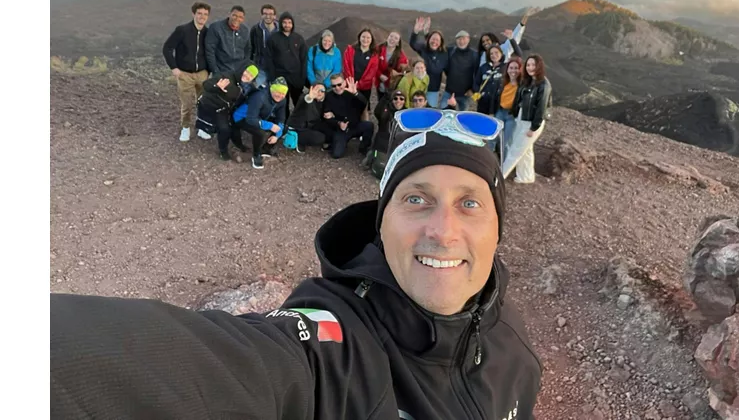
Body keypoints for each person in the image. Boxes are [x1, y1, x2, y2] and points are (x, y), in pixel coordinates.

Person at [51, 110, 543, 420]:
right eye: (416, 199)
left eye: (470, 204)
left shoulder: (513, 343)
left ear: (498, 228)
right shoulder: (331, 353)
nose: (443, 230)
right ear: (381, 223)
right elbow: (219, 369)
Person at [162, 1, 212, 142]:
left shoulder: (207, 33)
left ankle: (201, 127)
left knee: (203, 101)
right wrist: (174, 68)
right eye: (199, 13)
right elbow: (167, 48)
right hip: (185, 74)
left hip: (202, 73)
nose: (202, 16)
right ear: (193, 14)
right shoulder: (182, 30)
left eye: (205, 14)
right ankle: (185, 128)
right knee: (187, 103)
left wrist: (208, 70)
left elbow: (210, 52)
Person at [502, 54, 552, 183]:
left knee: (515, 149)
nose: (530, 68)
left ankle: (499, 177)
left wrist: (533, 127)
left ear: (539, 66)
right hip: (521, 118)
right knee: (526, 149)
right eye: (528, 65)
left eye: (533, 65)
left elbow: (541, 108)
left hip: (531, 122)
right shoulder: (528, 81)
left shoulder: (543, 85)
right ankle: (526, 176)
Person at [196, 61, 257, 160]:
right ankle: (223, 151)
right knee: (224, 129)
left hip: (226, 108)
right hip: (213, 106)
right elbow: (206, 84)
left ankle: (239, 145)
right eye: (247, 72)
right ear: (242, 69)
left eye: (251, 76)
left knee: (235, 124)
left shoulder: (245, 86)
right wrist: (217, 87)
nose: (248, 76)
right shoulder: (226, 76)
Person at [232, 78, 288, 169]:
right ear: (271, 89)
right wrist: (270, 125)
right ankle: (256, 155)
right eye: (277, 91)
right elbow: (251, 119)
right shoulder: (259, 97)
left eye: (283, 93)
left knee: (283, 128)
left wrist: (277, 135)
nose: (280, 95)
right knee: (260, 132)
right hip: (241, 117)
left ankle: (265, 149)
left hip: (260, 115)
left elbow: (281, 118)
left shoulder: (282, 100)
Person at [321, 75, 374, 159]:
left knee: (369, 125)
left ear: (344, 83)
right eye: (334, 86)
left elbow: (364, 103)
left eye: (339, 84)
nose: (337, 88)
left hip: (355, 125)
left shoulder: (351, 92)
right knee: (336, 154)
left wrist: (356, 93)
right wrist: (338, 123)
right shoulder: (329, 96)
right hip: (341, 129)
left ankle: (364, 147)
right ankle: (336, 142)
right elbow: (327, 116)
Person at [267, 11, 307, 117]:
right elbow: (269, 59)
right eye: (284, 22)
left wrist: (302, 78)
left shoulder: (298, 38)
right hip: (280, 76)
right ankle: (283, 125)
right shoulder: (273, 38)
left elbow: (304, 59)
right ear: (281, 23)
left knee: (298, 102)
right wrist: (272, 77)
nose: (287, 25)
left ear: (293, 24)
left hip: (295, 76)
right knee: (282, 104)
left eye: (289, 22)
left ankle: (300, 123)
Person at [361, 89, 406, 174]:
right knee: (381, 170)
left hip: (397, 146)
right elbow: (377, 112)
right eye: (395, 98)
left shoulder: (406, 114)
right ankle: (372, 155)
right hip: (383, 145)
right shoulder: (386, 111)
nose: (398, 101)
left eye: (401, 99)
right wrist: (385, 98)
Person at [409, 16, 449, 108]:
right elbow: (413, 44)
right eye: (433, 39)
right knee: (416, 110)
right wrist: (415, 32)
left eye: (437, 40)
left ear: (441, 42)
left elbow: (443, 69)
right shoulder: (423, 49)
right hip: (419, 86)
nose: (434, 41)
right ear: (428, 40)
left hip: (433, 89)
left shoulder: (444, 54)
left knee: (431, 112)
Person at [287, 83, 335, 152]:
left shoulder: (324, 100)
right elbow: (305, 99)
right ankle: (298, 139)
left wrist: (332, 114)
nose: (319, 92)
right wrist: (310, 97)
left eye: (322, 90)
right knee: (320, 138)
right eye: (317, 90)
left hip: (312, 124)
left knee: (330, 131)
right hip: (299, 127)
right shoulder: (306, 97)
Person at [204, 5, 251, 76]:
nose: (237, 19)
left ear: (243, 19)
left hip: (239, 72)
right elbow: (210, 51)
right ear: (229, 14)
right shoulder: (216, 28)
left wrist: (244, 68)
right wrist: (215, 71)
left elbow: (247, 50)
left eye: (240, 17)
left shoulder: (245, 30)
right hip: (221, 71)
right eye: (234, 15)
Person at [343, 28, 380, 111]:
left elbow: (371, 73)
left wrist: (358, 85)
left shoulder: (374, 54)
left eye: (368, 38)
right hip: (349, 84)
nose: (365, 40)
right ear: (359, 38)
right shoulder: (350, 50)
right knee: (349, 106)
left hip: (365, 87)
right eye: (363, 37)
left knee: (363, 107)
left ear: (371, 40)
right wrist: (351, 83)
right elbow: (346, 66)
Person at [443, 30, 478, 111]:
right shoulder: (450, 51)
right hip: (449, 92)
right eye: (459, 39)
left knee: (461, 118)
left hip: (465, 94)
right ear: (456, 40)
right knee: (444, 114)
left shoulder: (474, 55)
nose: (461, 41)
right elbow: (436, 49)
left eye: (464, 39)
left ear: (468, 39)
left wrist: (473, 89)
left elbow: (477, 74)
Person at [248, 4, 278, 88]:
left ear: (275, 16)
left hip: (277, 69)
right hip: (261, 67)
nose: (268, 16)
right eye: (265, 13)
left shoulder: (280, 31)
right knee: (256, 90)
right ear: (261, 15)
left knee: (277, 93)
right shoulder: (255, 29)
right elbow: (251, 48)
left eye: (271, 14)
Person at [472, 45, 507, 115]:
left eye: (496, 52)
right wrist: (478, 93)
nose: (494, 55)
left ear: (501, 53)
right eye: (491, 53)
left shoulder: (506, 67)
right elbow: (476, 83)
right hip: (484, 103)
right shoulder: (483, 67)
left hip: (499, 104)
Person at [376, 30, 408, 101]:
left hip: (392, 84)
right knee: (381, 102)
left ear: (398, 43)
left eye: (396, 38)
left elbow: (404, 69)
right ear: (387, 38)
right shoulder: (379, 49)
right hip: (380, 82)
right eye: (391, 36)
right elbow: (373, 65)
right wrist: (380, 75)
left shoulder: (401, 55)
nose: (392, 39)